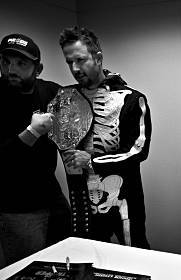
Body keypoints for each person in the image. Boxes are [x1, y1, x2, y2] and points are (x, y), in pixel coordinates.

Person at [0, 34, 71, 264]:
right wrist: (33, 131)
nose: (11, 69)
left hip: (50, 194)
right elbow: (3, 160)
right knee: (28, 276)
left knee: (68, 259)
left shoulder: (49, 92)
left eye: (21, 64)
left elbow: (76, 100)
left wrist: (106, 83)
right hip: (16, 206)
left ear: (37, 68)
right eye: (6, 62)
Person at [57, 26, 152, 248]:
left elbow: (138, 151)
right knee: (89, 259)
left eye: (80, 60)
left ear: (98, 58)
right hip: (83, 200)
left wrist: (91, 161)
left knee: (135, 256)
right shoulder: (66, 97)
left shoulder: (131, 99)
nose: (75, 68)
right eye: (69, 62)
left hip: (123, 197)